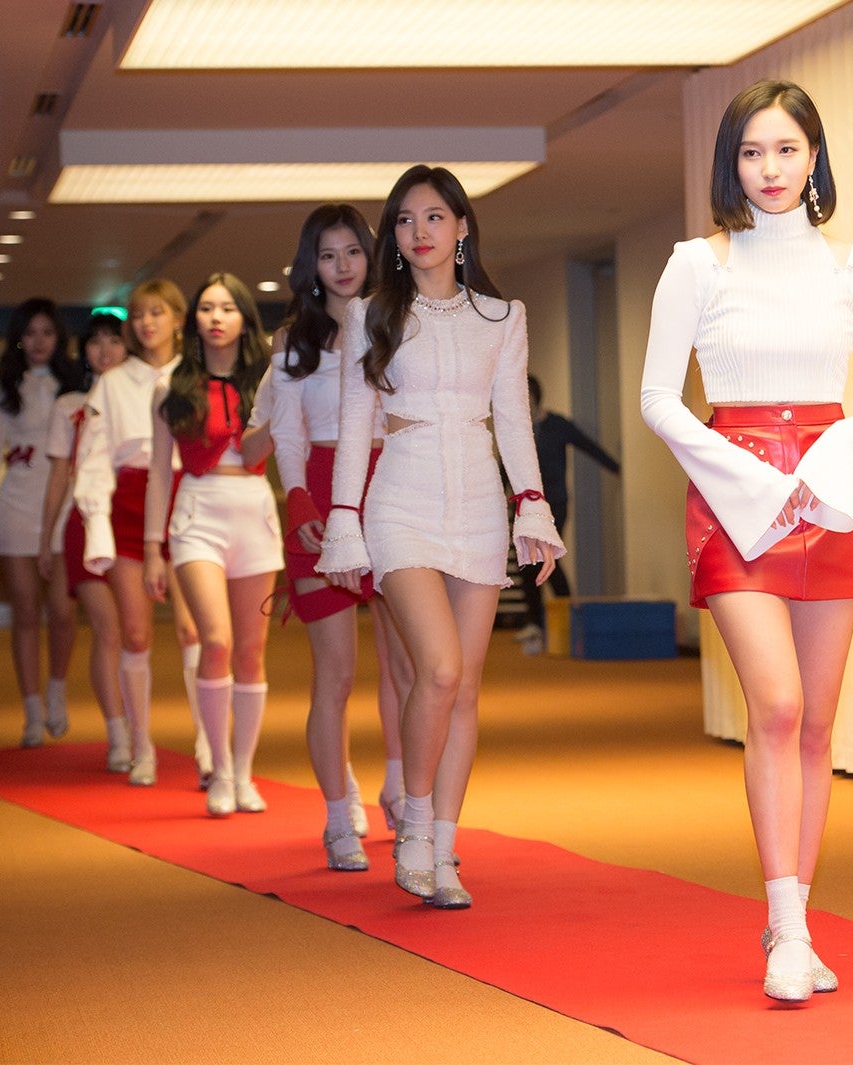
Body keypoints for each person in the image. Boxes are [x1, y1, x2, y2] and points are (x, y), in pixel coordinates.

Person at [640, 79, 853, 1002]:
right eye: (752, 151)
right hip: (736, 502)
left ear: (814, 157)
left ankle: (794, 917)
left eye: (787, 149)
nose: (770, 168)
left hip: (830, 500)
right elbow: (656, 399)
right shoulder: (697, 265)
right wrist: (756, 479)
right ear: (732, 163)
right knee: (781, 706)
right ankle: (787, 931)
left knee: (818, 723)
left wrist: (831, 455)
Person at [319, 165, 562, 908]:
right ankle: (416, 823)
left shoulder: (502, 316)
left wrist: (533, 507)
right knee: (440, 668)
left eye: (433, 217)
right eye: (404, 219)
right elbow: (355, 427)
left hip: (480, 507)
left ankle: (445, 848)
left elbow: (512, 420)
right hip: (401, 503)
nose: (418, 231)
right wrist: (343, 520)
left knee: (465, 688)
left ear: (461, 227)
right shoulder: (370, 315)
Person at [246, 204, 412, 869]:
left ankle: (402, 792)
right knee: (336, 672)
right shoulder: (295, 340)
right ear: (309, 266)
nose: (342, 266)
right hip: (316, 499)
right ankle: (339, 814)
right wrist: (297, 498)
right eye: (327, 254)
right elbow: (285, 432)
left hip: (390, 494)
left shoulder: (398, 325)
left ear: (371, 256)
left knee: (405, 665)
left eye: (352, 252)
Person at [144, 273, 281, 818]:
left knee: (251, 651)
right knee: (216, 641)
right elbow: (159, 472)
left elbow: (278, 449)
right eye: (206, 308)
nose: (216, 317)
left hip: (254, 511)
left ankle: (244, 773)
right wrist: (152, 549)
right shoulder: (170, 386)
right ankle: (219, 769)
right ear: (193, 320)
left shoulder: (268, 381)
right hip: (197, 513)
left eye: (227, 307)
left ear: (245, 318)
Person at [74, 279, 208, 787]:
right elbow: (92, 460)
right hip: (130, 503)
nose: (147, 323)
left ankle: (208, 745)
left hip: (188, 498)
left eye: (157, 312)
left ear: (177, 319)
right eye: (139, 315)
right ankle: (141, 745)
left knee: (194, 629)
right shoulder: (112, 382)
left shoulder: (196, 375)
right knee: (134, 632)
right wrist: (97, 526)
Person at [0, 298, 83, 745]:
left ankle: (57, 690)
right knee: (25, 609)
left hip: (64, 502)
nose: (39, 341)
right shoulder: (2, 389)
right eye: (31, 333)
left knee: (63, 612)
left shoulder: (75, 385)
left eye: (47, 332)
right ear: (19, 337)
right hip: (16, 504)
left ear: (59, 338)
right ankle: (32, 710)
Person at [38, 313, 130, 770]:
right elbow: (59, 474)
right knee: (106, 627)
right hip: (84, 522)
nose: (105, 350)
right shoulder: (69, 405)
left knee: (133, 632)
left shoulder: (143, 394)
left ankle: (135, 731)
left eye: (114, 340)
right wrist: (45, 538)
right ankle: (118, 735)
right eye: (95, 342)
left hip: (130, 522)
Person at [513, 373, 620, 653]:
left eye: (526, 397)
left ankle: (571, 620)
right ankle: (535, 624)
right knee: (528, 564)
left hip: (555, 505)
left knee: (549, 559)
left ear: (535, 397)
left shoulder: (557, 425)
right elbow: (506, 466)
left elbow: (588, 445)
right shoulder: (517, 429)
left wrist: (619, 468)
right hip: (526, 508)